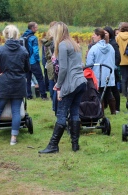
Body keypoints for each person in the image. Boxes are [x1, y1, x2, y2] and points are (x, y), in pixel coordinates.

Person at [39, 22, 87, 154]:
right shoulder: (75, 44)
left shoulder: (62, 45)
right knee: (75, 112)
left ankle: (53, 145)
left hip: (71, 83)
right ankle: (75, 145)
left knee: (62, 113)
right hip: (81, 81)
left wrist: (58, 85)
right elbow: (80, 64)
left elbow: (63, 68)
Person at [0, 24, 30, 145]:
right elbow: (27, 68)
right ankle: (13, 138)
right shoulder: (23, 50)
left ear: (5, 35)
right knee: (16, 111)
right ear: (16, 35)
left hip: (3, 82)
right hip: (18, 83)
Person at [86, 28, 116, 114]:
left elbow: (89, 64)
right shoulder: (110, 47)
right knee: (108, 92)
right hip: (109, 74)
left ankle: (100, 112)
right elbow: (113, 61)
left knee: (98, 94)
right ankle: (113, 112)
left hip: (97, 75)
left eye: (94, 35)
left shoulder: (94, 48)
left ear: (99, 36)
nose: (92, 36)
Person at [22, 22, 48, 100]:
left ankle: (28, 95)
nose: (37, 29)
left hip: (25, 61)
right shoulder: (33, 38)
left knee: (27, 79)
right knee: (40, 78)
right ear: (32, 28)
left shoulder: (23, 36)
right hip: (33, 61)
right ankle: (43, 95)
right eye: (36, 27)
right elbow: (35, 51)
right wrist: (37, 60)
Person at [41, 21, 58, 114]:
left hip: (48, 61)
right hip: (54, 60)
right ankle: (54, 97)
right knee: (55, 80)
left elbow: (43, 53)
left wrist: (44, 62)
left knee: (51, 79)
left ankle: (52, 96)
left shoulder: (46, 39)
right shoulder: (55, 39)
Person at [104, 26, 121, 113]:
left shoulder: (113, 44)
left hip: (112, 70)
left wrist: (113, 67)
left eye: (106, 33)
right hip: (106, 69)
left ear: (110, 34)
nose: (104, 34)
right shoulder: (104, 44)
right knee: (106, 88)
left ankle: (117, 108)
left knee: (114, 89)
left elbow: (118, 57)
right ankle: (106, 105)